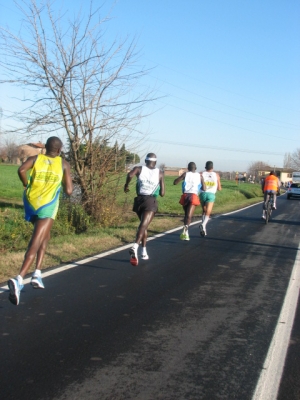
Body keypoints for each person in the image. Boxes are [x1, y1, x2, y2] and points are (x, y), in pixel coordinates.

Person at [8, 136, 73, 305]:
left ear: (45, 147)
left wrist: (27, 184)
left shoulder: (36, 158)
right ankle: (19, 279)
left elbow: (21, 170)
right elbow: (69, 190)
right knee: (36, 240)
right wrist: (64, 185)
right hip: (48, 205)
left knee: (45, 235)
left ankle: (37, 273)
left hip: (31, 202)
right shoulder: (63, 164)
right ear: (59, 150)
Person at [124, 153, 165, 266]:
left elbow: (130, 175)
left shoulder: (139, 168)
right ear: (155, 162)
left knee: (143, 225)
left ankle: (144, 252)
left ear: (145, 161)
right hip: (150, 201)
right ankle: (135, 246)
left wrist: (126, 185)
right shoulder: (160, 173)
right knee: (143, 225)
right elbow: (162, 193)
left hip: (139, 201)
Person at [173, 162, 205, 241]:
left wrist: (181, 177)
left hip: (185, 195)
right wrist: (202, 180)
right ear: (196, 168)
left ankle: (186, 232)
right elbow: (204, 188)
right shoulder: (199, 176)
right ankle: (185, 229)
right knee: (189, 216)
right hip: (193, 196)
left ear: (188, 168)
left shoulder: (185, 174)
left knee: (186, 215)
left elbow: (175, 182)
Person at [199, 161, 222, 236]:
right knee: (208, 212)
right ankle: (203, 225)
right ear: (212, 168)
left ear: (205, 167)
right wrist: (218, 180)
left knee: (204, 211)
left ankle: (204, 230)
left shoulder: (201, 174)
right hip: (211, 194)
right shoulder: (216, 175)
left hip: (202, 193)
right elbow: (219, 188)